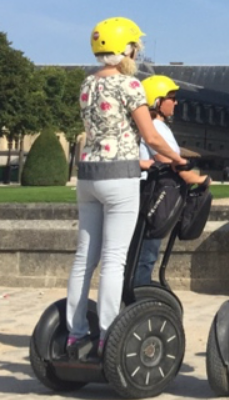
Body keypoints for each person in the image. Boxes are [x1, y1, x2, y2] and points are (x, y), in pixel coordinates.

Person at [68, 17, 187, 355]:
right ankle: (109, 335)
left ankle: (75, 333)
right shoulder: (130, 85)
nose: (137, 51)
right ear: (126, 49)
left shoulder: (86, 84)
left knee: (83, 260)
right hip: (119, 175)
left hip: (87, 175)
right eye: (135, 46)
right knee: (114, 260)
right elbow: (150, 136)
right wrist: (179, 162)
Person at [135, 75, 211, 286]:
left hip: (152, 192)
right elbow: (167, 160)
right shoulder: (155, 128)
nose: (176, 102)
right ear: (157, 101)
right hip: (152, 195)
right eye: (172, 97)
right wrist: (198, 178)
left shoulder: (157, 126)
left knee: (145, 255)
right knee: (146, 255)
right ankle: (138, 299)